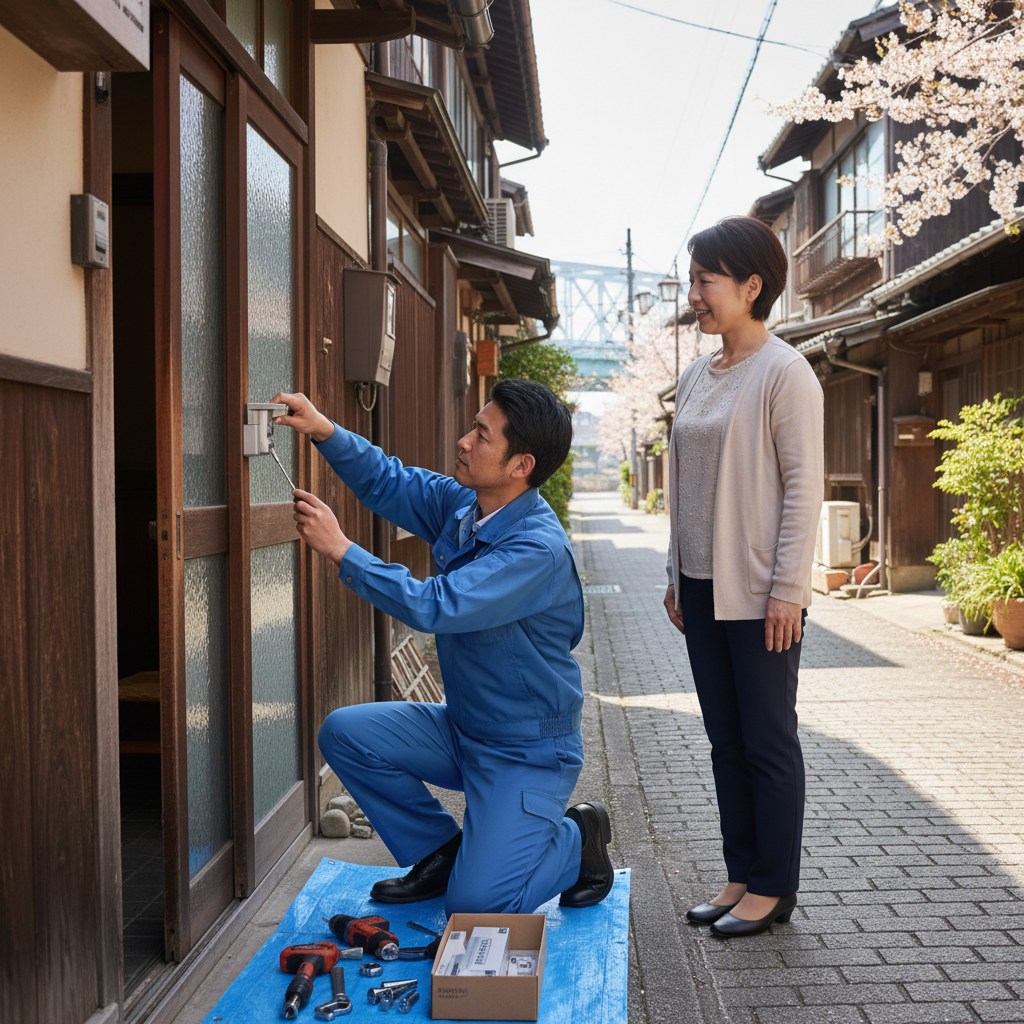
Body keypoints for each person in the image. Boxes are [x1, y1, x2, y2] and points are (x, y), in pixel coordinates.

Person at [270, 378, 613, 917]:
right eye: (473, 427)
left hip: (526, 752)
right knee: (345, 733)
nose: (464, 441)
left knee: (477, 906)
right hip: (464, 728)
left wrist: (342, 550)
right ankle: (440, 850)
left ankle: (577, 838)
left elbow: (435, 605)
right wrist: (323, 430)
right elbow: (389, 482)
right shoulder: (466, 506)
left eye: (482, 434)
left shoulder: (536, 550)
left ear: (522, 464)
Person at [663, 216, 823, 938]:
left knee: (766, 739)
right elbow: (684, 481)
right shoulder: (697, 374)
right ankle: (738, 875)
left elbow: (802, 486)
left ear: (752, 286)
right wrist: (675, 574)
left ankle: (773, 887)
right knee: (725, 740)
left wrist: (790, 587)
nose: (694, 294)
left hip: (760, 590)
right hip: (701, 586)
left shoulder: (786, 372)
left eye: (706, 281)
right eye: (693, 280)